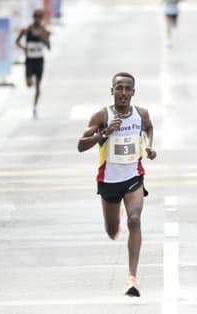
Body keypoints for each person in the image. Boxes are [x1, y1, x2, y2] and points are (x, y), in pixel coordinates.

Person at [77, 72, 157, 297]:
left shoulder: (141, 114)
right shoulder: (101, 116)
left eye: (127, 89)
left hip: (133, 177)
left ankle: (132, 278)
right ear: (112, 91)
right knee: (112, 231)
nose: (123, 93)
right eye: (119, 88)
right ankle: (115, 220)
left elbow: (149, 127)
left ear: (133, 92)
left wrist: (150, 146)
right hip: (109, 181)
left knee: (135, 219)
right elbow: (81, 145)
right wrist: (104, 133)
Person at [15, 9, 51, 119]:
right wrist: (24, 48)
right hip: (30, 60)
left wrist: (44, 39)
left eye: (40, 17)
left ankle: (35, 107)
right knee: (29, 84)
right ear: (33, 18)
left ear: (42, 19)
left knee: (38, 87)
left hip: (39, 60)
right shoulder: (26, 30)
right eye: (36, 17)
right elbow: (17, 42)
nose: (38, 19)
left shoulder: (44, 31)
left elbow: (49, 47)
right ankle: (32, 79)